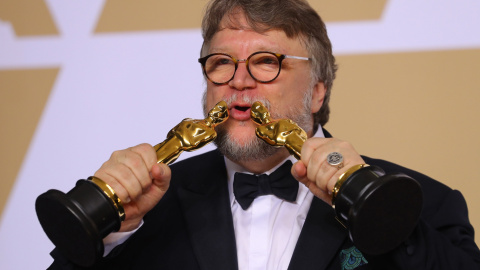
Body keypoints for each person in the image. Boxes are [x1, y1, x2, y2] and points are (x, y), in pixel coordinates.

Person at [48, 0, 480, 269]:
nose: (239, 81)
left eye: (266, 61)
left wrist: (384, 216)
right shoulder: (149, 207)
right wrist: (110, 231)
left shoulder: (422, 202)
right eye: (221, 62)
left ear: (316, 91)